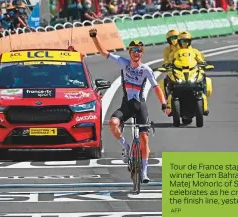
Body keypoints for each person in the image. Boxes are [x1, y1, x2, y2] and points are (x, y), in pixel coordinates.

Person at [89, 27, 170, 183]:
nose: (136, 52)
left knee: (144, 138)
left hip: (140, 106)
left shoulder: (146, 70)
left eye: (139, 50)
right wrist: (94, 37)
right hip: (126, 105)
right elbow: (104, 52)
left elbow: (156, 87)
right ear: (129, 52)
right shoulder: (123, 63)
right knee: (113, 123)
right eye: (133, 49)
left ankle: (144, 172)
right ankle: (125, 146)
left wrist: (164, 104)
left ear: (142, 53)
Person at [170, 31, 210, 114]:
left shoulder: (194, 51)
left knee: (204, 80)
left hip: (192, 71)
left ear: (189, 42)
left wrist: (203, 63)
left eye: (186, 41)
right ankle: (169, 107)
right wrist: (167, 65)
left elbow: (200, 59)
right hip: (180, 72)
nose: (184, 43)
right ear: (179, 42)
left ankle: (205, 107)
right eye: (182, 41)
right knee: (168, 81)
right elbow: (170, 61)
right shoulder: (175, 52)